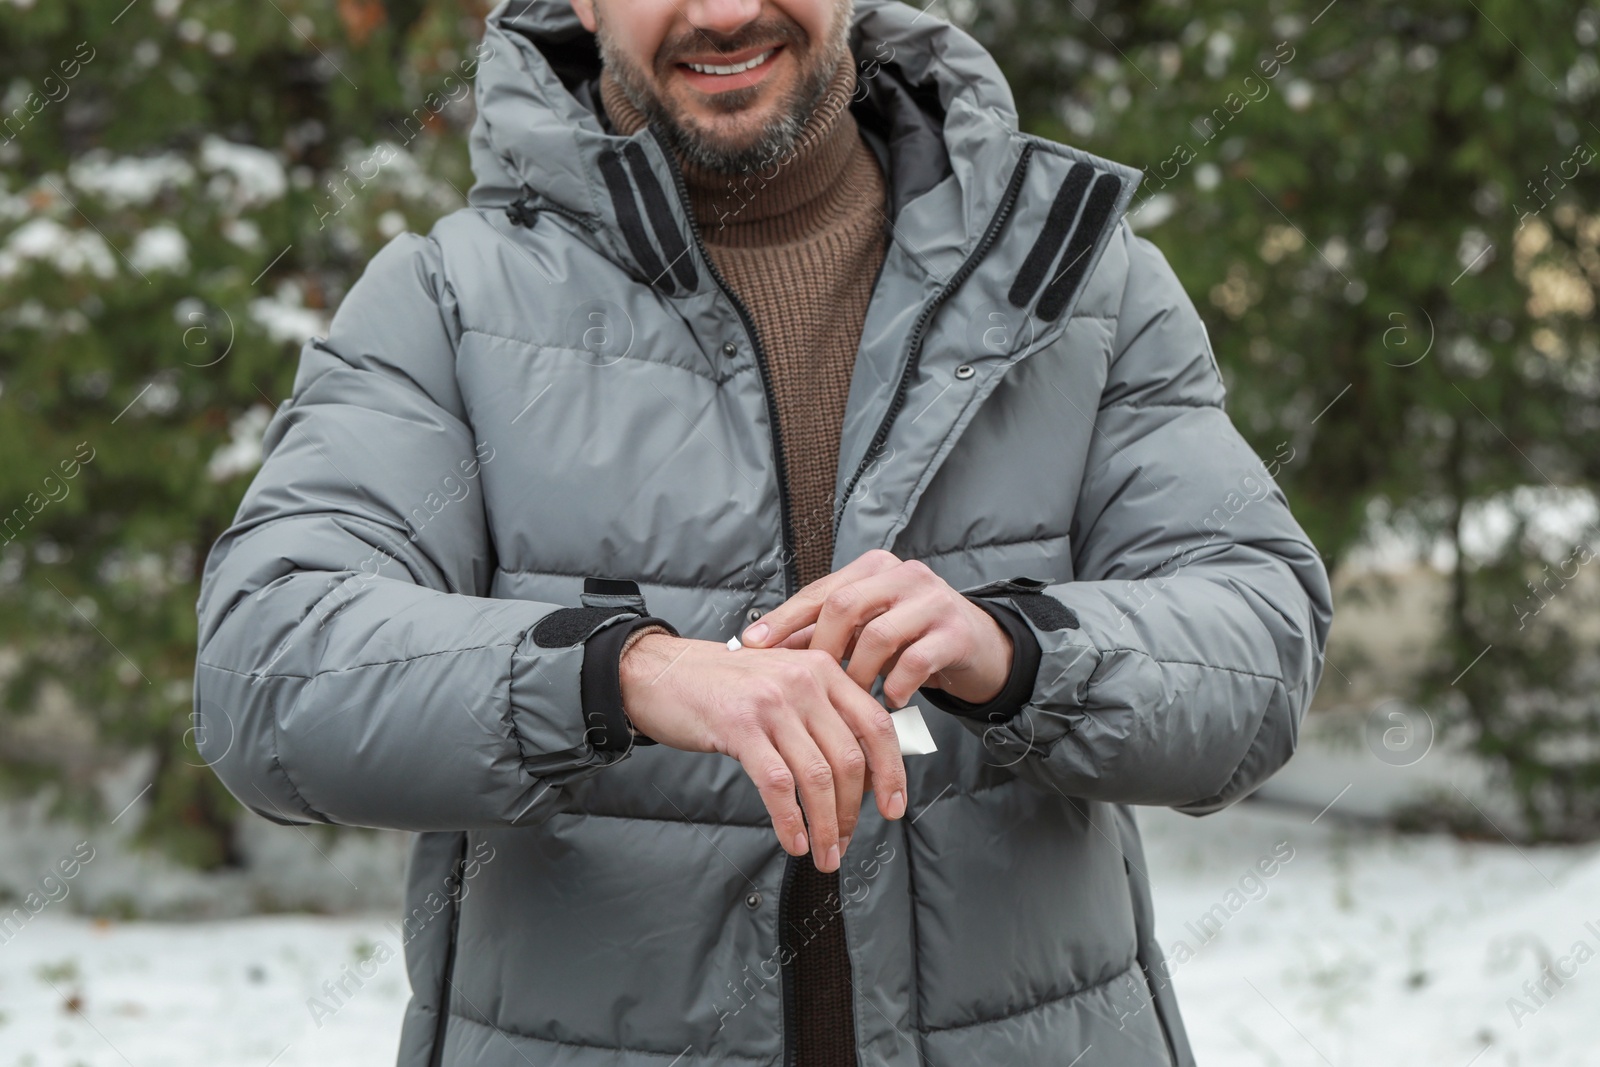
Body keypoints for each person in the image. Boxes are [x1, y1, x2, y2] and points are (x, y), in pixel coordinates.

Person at [193, 0, 1332, 1063]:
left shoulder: (1075, 283)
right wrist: (616, 674)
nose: (727, 12)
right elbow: (267, 668)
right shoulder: (446, 301)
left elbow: (1256, 644)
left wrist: (1016, 650)